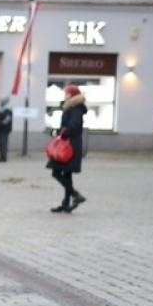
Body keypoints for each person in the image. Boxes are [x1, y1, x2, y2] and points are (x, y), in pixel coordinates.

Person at [49, 84, 87, 213]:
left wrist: (58, 132)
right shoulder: (71, 107)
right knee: (66, 174)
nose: (64, 95)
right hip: (68, 145)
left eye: (66, 93)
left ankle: (75, 195)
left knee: (56, 172)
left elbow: (73, 127)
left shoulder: (75, 109)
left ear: (71, 95)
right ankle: (66, 203)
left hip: (70, 146)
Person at [0, 94, 14, 162]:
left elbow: (7, 120)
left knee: (3, 143)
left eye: (1, 100)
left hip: (4, 129)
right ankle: (1, 156)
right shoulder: (1, 109)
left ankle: (3, 157)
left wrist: (1, 124)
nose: (0, 101)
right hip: (0, 129)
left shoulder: (8, 109)